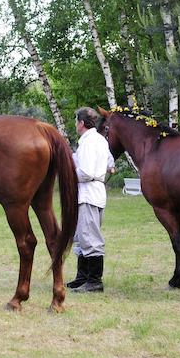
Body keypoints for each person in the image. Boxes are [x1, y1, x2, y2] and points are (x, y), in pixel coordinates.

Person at [66, 107, 112, 293]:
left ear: (82, 123)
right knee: (83, 235)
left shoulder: (88, 142)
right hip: (95, 192)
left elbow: (85, 172)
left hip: (88, 192)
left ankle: (94, 281)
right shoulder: (99, 139)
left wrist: (67, 174)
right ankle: (82, 277)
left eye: (76, 121)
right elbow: (109, 162)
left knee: (89, 237)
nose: (76, 124)